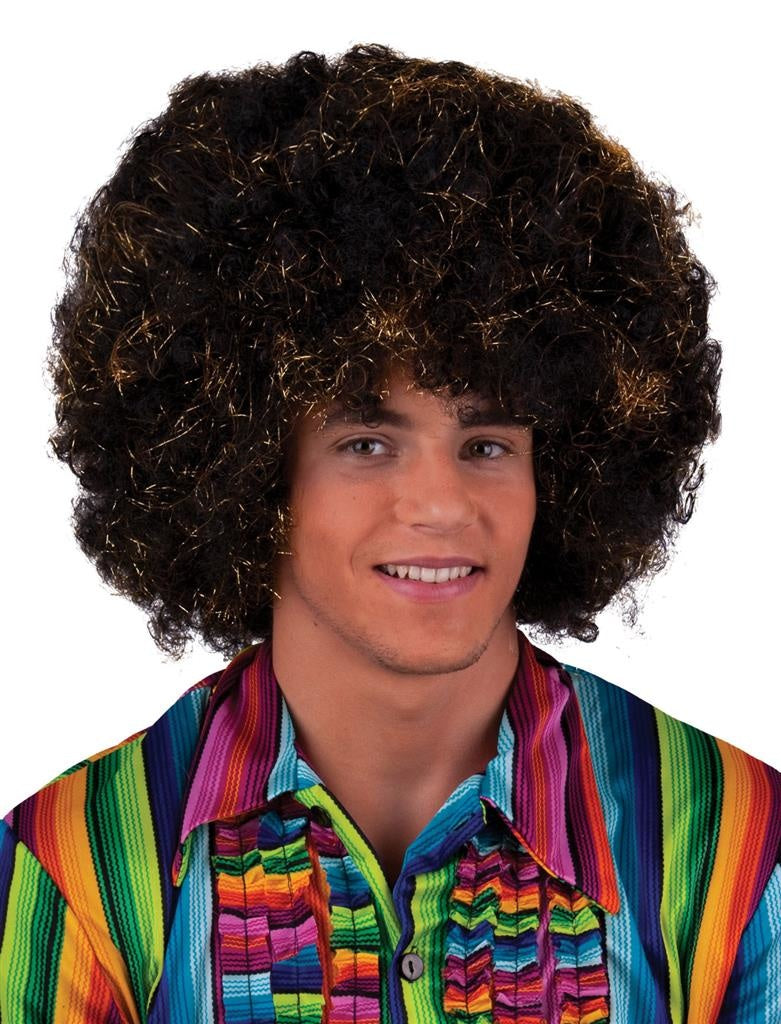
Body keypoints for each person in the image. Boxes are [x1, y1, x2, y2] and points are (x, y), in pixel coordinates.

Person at [0, 42, 778, 1023]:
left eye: (486, 444)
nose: (441, 504)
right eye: (367, 443)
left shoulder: (729, 852)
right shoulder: (81, 872)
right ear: (249, 472)